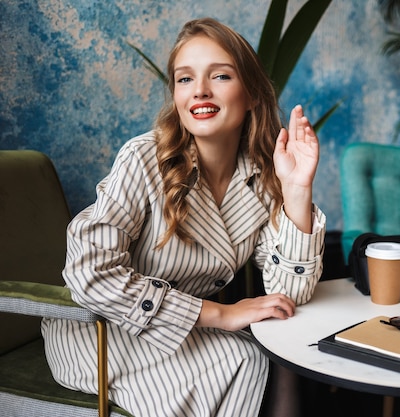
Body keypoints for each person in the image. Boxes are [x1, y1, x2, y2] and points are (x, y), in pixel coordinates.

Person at [41, 17, 326, 417]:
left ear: (252, 95)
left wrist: (297, 192)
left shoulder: (263, 177)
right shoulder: (143, 158)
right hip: (100, 331)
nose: (200, 91)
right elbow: (90, 273)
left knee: (284, 354)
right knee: (243, 360)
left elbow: (288, 298)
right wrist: (220, 314)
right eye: (185, 79)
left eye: (221, 76)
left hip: (185, 330)